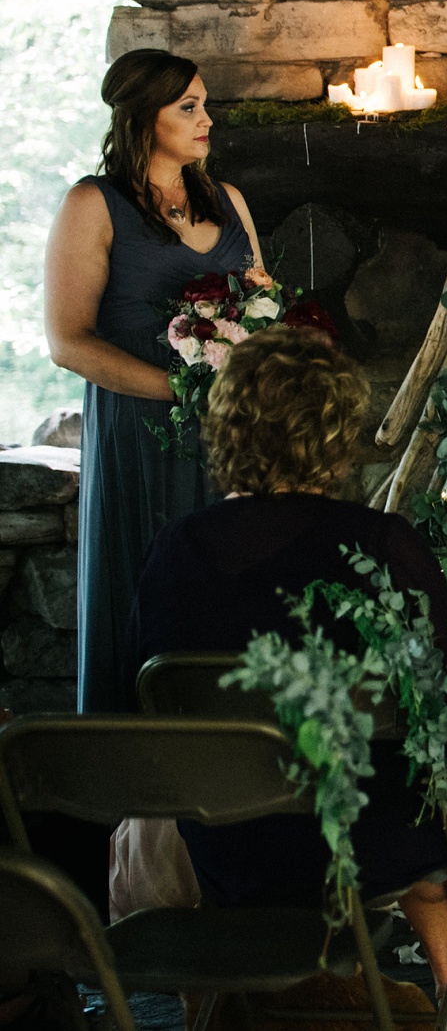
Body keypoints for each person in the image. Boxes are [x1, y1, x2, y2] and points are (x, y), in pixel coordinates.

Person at [124, 328, 447, 1028]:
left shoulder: (176, 550)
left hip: (227, 842)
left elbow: (141, 700)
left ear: (225, 428)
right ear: (337, 434)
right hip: (360, 836)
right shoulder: (378, 544)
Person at [45, 48, 266, 712]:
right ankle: (138, 801)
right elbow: (67, 343)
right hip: (140, 437)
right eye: (189, 108)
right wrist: (182, 392)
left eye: (205, 105)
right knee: (145, 594)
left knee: (230, 600)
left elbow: (262, 303)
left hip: (230, 440)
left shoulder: (227, 201)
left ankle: (229, 787)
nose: (208, 120)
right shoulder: (94, 203)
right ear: (144, 119)